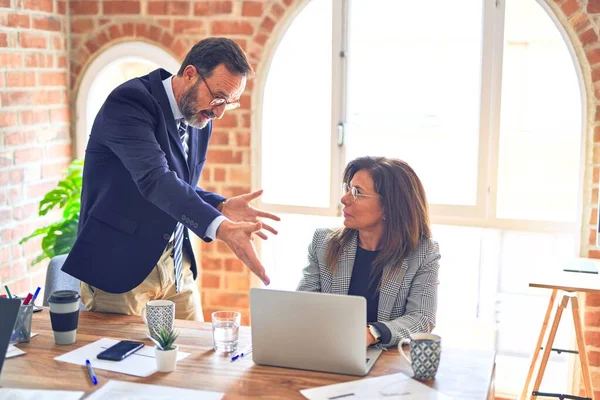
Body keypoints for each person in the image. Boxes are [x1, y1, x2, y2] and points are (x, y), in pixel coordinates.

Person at [62, 37, 279, 321]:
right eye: (218, 98)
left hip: (177, 268)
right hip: (120, 269)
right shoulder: (130, 103)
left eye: (230, 103)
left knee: (197, 362)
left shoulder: (200, 116)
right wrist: (222, 228)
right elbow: (155, 179)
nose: (219, 112)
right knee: (118, 363)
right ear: (190, 74)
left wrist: (220, 205)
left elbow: (179, 187)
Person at [297, 156, 440, 347]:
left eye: (357, 192)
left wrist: (373, 333)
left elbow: (421, 318)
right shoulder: (323, 242)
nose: (345, 198)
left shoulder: (423, 253)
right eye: (348, 188)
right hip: (328, 351)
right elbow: (303, 306)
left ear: (389, 207)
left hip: (387, 363)